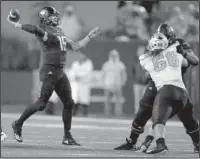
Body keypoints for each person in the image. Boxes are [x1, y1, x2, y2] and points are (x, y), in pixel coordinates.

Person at [7, 6, 100, 145]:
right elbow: (35, 29)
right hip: (49, 72)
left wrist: (88, 37)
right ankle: (18, 124)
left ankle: (67, 136)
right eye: (52, 16)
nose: (56, 17)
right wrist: (18, 25)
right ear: (46, 18)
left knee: (69, 103)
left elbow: (75, 46)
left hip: (60, 72)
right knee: (41, 104)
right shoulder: (45, 31)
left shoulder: (59, 31)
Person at [114, 23, 199, 153]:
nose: (161, 39)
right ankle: (132, 141)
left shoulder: (179, 44)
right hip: (157, 82)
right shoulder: (155, 44)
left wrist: (184, 53)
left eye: (164, 37)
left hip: (175, 82)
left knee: (186, 116)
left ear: (171, 37)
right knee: (143, 111)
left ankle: (196, 143)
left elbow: (194, 60)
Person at [102, 49, 127, 116]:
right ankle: (107, 113)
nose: (113, 56)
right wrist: (104, 83)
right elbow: (103, 75)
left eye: (115, 55)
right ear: (110, 55)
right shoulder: (106, 64)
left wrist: (122, 83)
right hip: (108, 84)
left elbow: (124, 74)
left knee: (118, 100)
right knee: (107, 100)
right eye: (112, 55)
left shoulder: (121, 64)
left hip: (117, 84)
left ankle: (118, 113)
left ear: (117, 55)